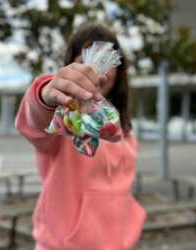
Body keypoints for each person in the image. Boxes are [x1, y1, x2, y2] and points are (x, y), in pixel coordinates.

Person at [15, 24, 146, 250]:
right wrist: (46, 96)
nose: (94, 69)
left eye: (107, 58)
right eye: (82, 57)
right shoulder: (64, 122)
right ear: (70, 64)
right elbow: (34, 124)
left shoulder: (123, 130)